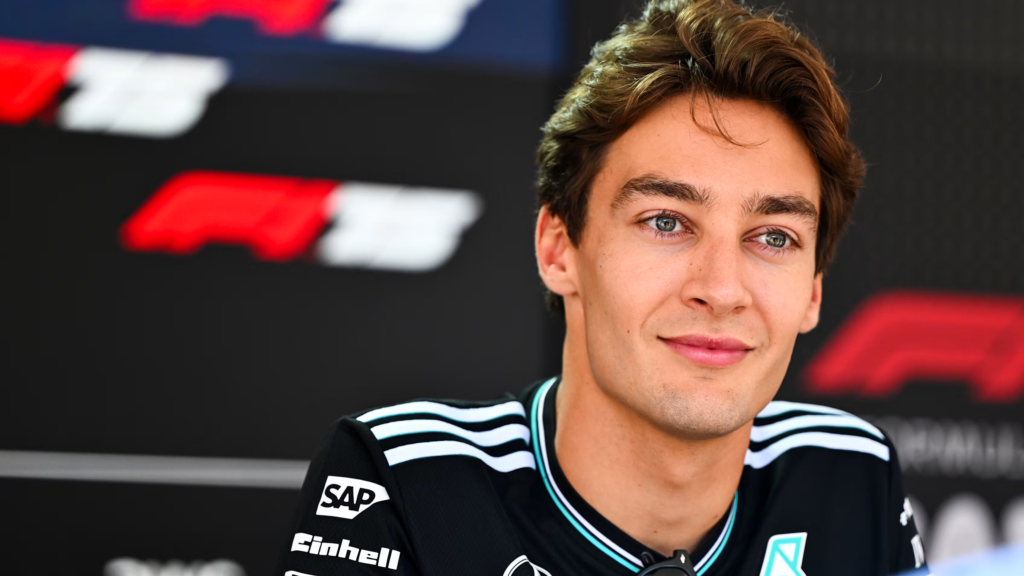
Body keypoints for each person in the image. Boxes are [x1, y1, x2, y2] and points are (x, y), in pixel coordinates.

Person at [277, 1, 926, 574]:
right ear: (559, 249)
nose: (722, 289)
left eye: (774, 237)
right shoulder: (406, 479)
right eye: (666, 222)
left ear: (813, 290)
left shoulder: (849, 473)